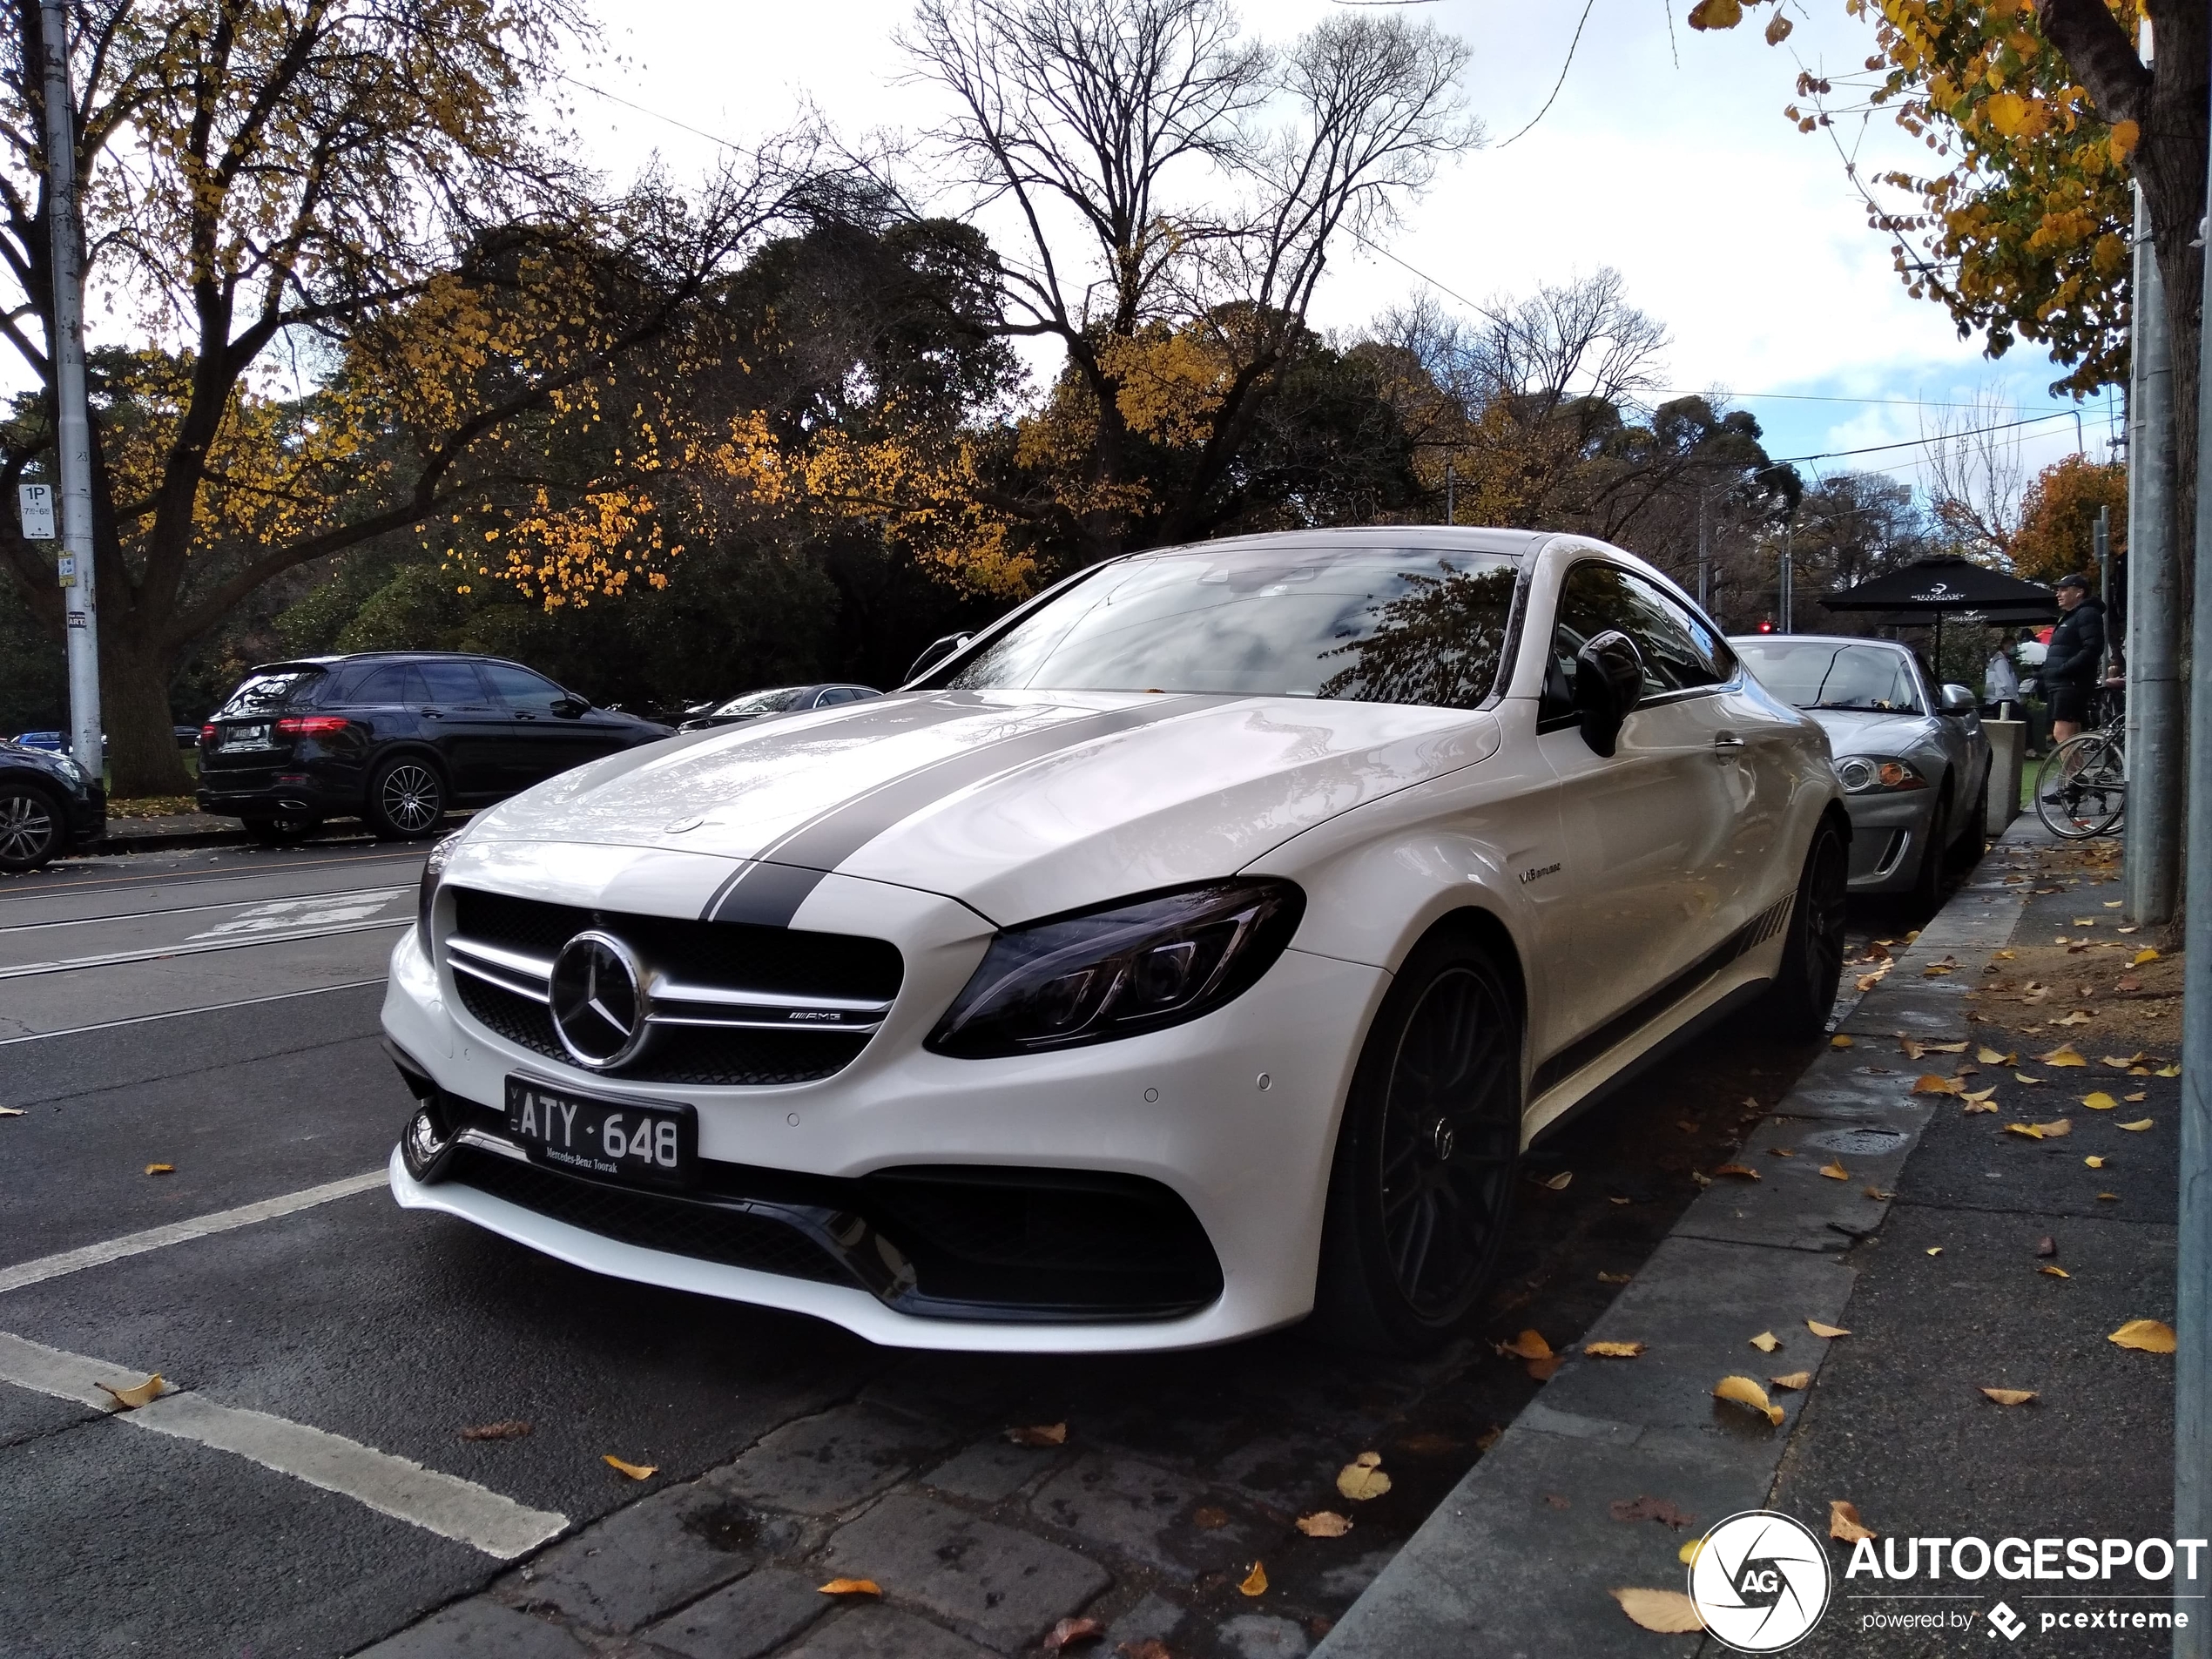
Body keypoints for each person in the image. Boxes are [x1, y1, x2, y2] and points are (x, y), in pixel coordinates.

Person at [2037, 574, 2105, 798]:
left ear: (2080, 591)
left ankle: (2074, 783)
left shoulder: (2086, 614)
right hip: (2063, 682)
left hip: (2071, 682)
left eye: (2064, 589)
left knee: (2062, 732)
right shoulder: (2073, 616)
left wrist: (2063, 668)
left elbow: (2092, 648)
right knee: (2070, 734)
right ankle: (2076, 783)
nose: (2058, 593)